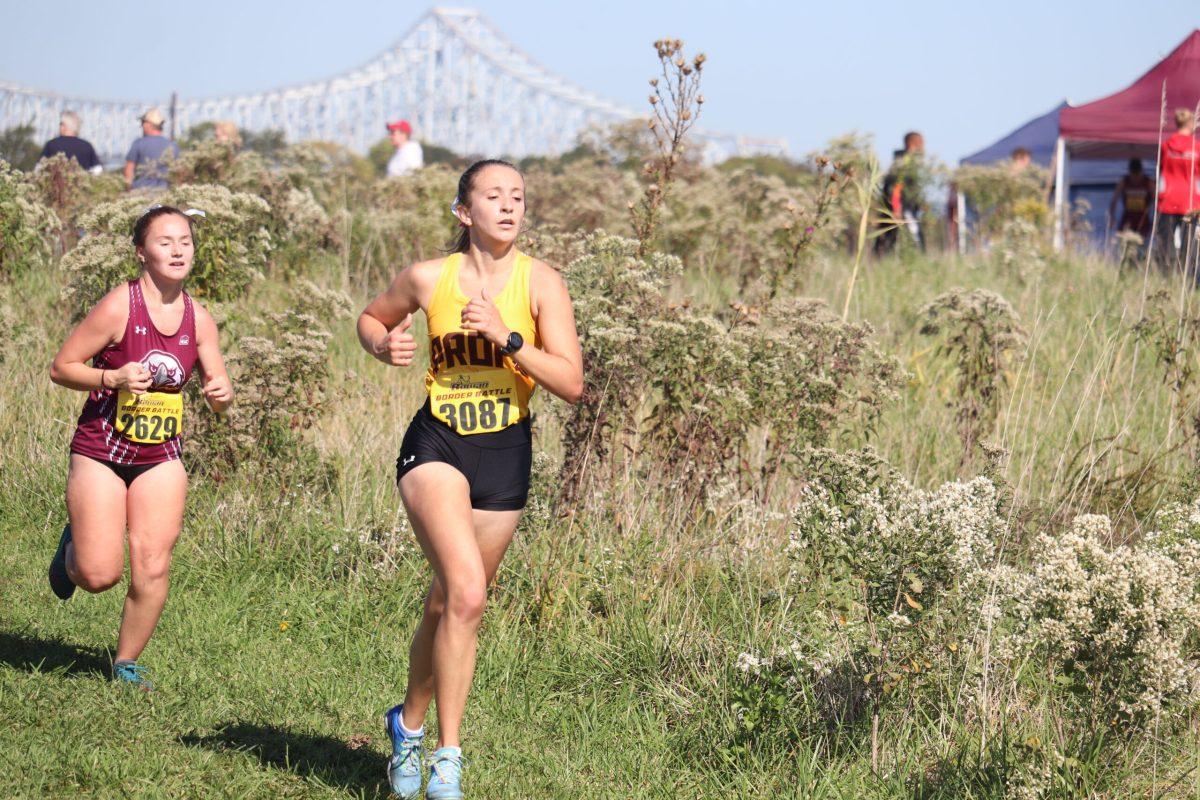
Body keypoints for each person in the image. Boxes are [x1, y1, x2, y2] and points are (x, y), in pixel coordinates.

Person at [357, 159, 582, 799]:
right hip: (437, 443)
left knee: (449, 603)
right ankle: (447, 763)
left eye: (517, 196)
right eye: (493, 195)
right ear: (464, 212)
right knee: (468, 594)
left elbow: (570, 383)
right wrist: (382, 345)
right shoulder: (431, 279)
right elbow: (372, 319)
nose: (509, 206)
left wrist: (509, 340)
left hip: (506, 452)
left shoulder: (542, 284)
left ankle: (406, 726)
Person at [47, 205, 233, 690]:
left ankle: (125, 664)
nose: (177, 249)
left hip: (160, 457)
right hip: (101, 452)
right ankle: (73, 549)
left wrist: (220, 395)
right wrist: (112, 375)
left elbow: (218, 387)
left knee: (153, 563)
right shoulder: (118, 306)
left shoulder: (200, 318)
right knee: (98, 575)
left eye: (186, 241)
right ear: (141, 253)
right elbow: (62, 366)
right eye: (165, 241)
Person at [1155, 108, 1200, 274]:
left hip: (1167, 201)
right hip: (1191, 203)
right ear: (1190, 123)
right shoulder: (1197, 148)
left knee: (1165, 246)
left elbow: (1159, 171)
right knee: (1189, 248)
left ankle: (1165, 279)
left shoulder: (1166, 146)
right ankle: (1186, 283)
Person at [876, 131, 926, 254]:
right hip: (901, 207)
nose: (923, 148)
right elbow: (896, 187)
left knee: (889, 236)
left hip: (904, 206)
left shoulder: (907, 162)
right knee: (911, 236)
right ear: (911, 144)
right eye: (920, 144)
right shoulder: (904, 162)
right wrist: (897, 207)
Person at [124, 109, 180, 191]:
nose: (141, 126)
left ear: (148, 124)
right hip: (165, 192)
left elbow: (128, 170)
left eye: (142, 123)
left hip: (140, 192)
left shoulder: (138, 143)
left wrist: (128, 189)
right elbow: (178, 172)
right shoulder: (173, 145)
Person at [1109, 158, 1153, 238]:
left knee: (1142, 246)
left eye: (1138, 175)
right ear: (1130, 172)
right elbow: (1114, 200)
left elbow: (1156, 201)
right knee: (1125, 244)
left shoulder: (1148, 182)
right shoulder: (1124, 181)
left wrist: (1156, 219)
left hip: (1143, 219)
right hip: (1128, 219)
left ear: (1141, 172)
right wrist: (1112, 217)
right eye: (1133, 175)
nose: (1135, 179)